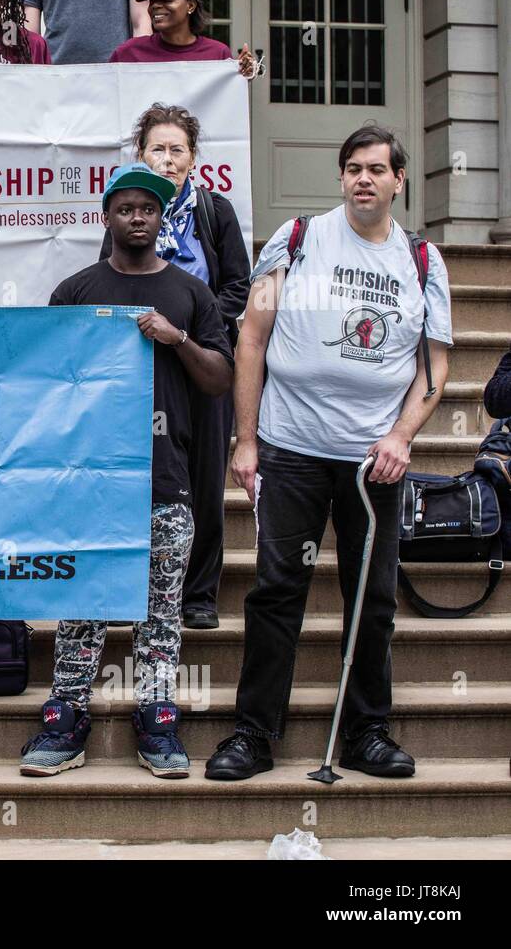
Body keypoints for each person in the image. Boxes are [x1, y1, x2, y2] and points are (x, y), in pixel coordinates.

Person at [207, 125, 452, 781]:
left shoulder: (423, 262)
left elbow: (435, 364)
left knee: (372, 597)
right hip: (290, 450)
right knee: (276, 590)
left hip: (375, 461)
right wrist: (247, 438)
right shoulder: (295, 241)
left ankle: (367, 733)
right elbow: (251, 339)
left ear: (400, 179)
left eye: (376, 168)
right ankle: (253, 735)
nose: (363, 178)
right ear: (341, 177)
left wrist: (402, 435)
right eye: (352, 168)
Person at [20, 164, 232, 779]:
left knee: (161, 612)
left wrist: (178, 340)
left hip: (167, 479)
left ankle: (157, 717)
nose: (137, 217)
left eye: (149, 208)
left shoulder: (191, 294)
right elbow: (41, 382)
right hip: (88, 484)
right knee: (82, 603)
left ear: (162, 217)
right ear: (106, 215)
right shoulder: (76, 291)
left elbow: (220, 380)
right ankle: (67, 717)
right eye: (126, 207)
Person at [99, 104, 251, 629]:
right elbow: (110, 278)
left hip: (201, 358)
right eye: (157, 149)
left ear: (193, 157)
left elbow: (239, 286)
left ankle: (198, 594)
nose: (167, 159)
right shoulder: (129, 211)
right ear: (141, 155)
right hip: (139, 366)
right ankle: (132, 587)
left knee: (204, 478)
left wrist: (193, 316)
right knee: (139, 476)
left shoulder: (216, 211)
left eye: (176, 150)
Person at [109, 0, 254, 75]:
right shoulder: (128, 53)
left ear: (190, 5)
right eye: (152, 0)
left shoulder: (217, 54)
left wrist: (241, 73)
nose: (156, 5)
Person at [24, 0, 150, 65]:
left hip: (114, 71)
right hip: (57, 72)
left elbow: (142, 20)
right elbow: (29, 33)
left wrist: (139, 71)